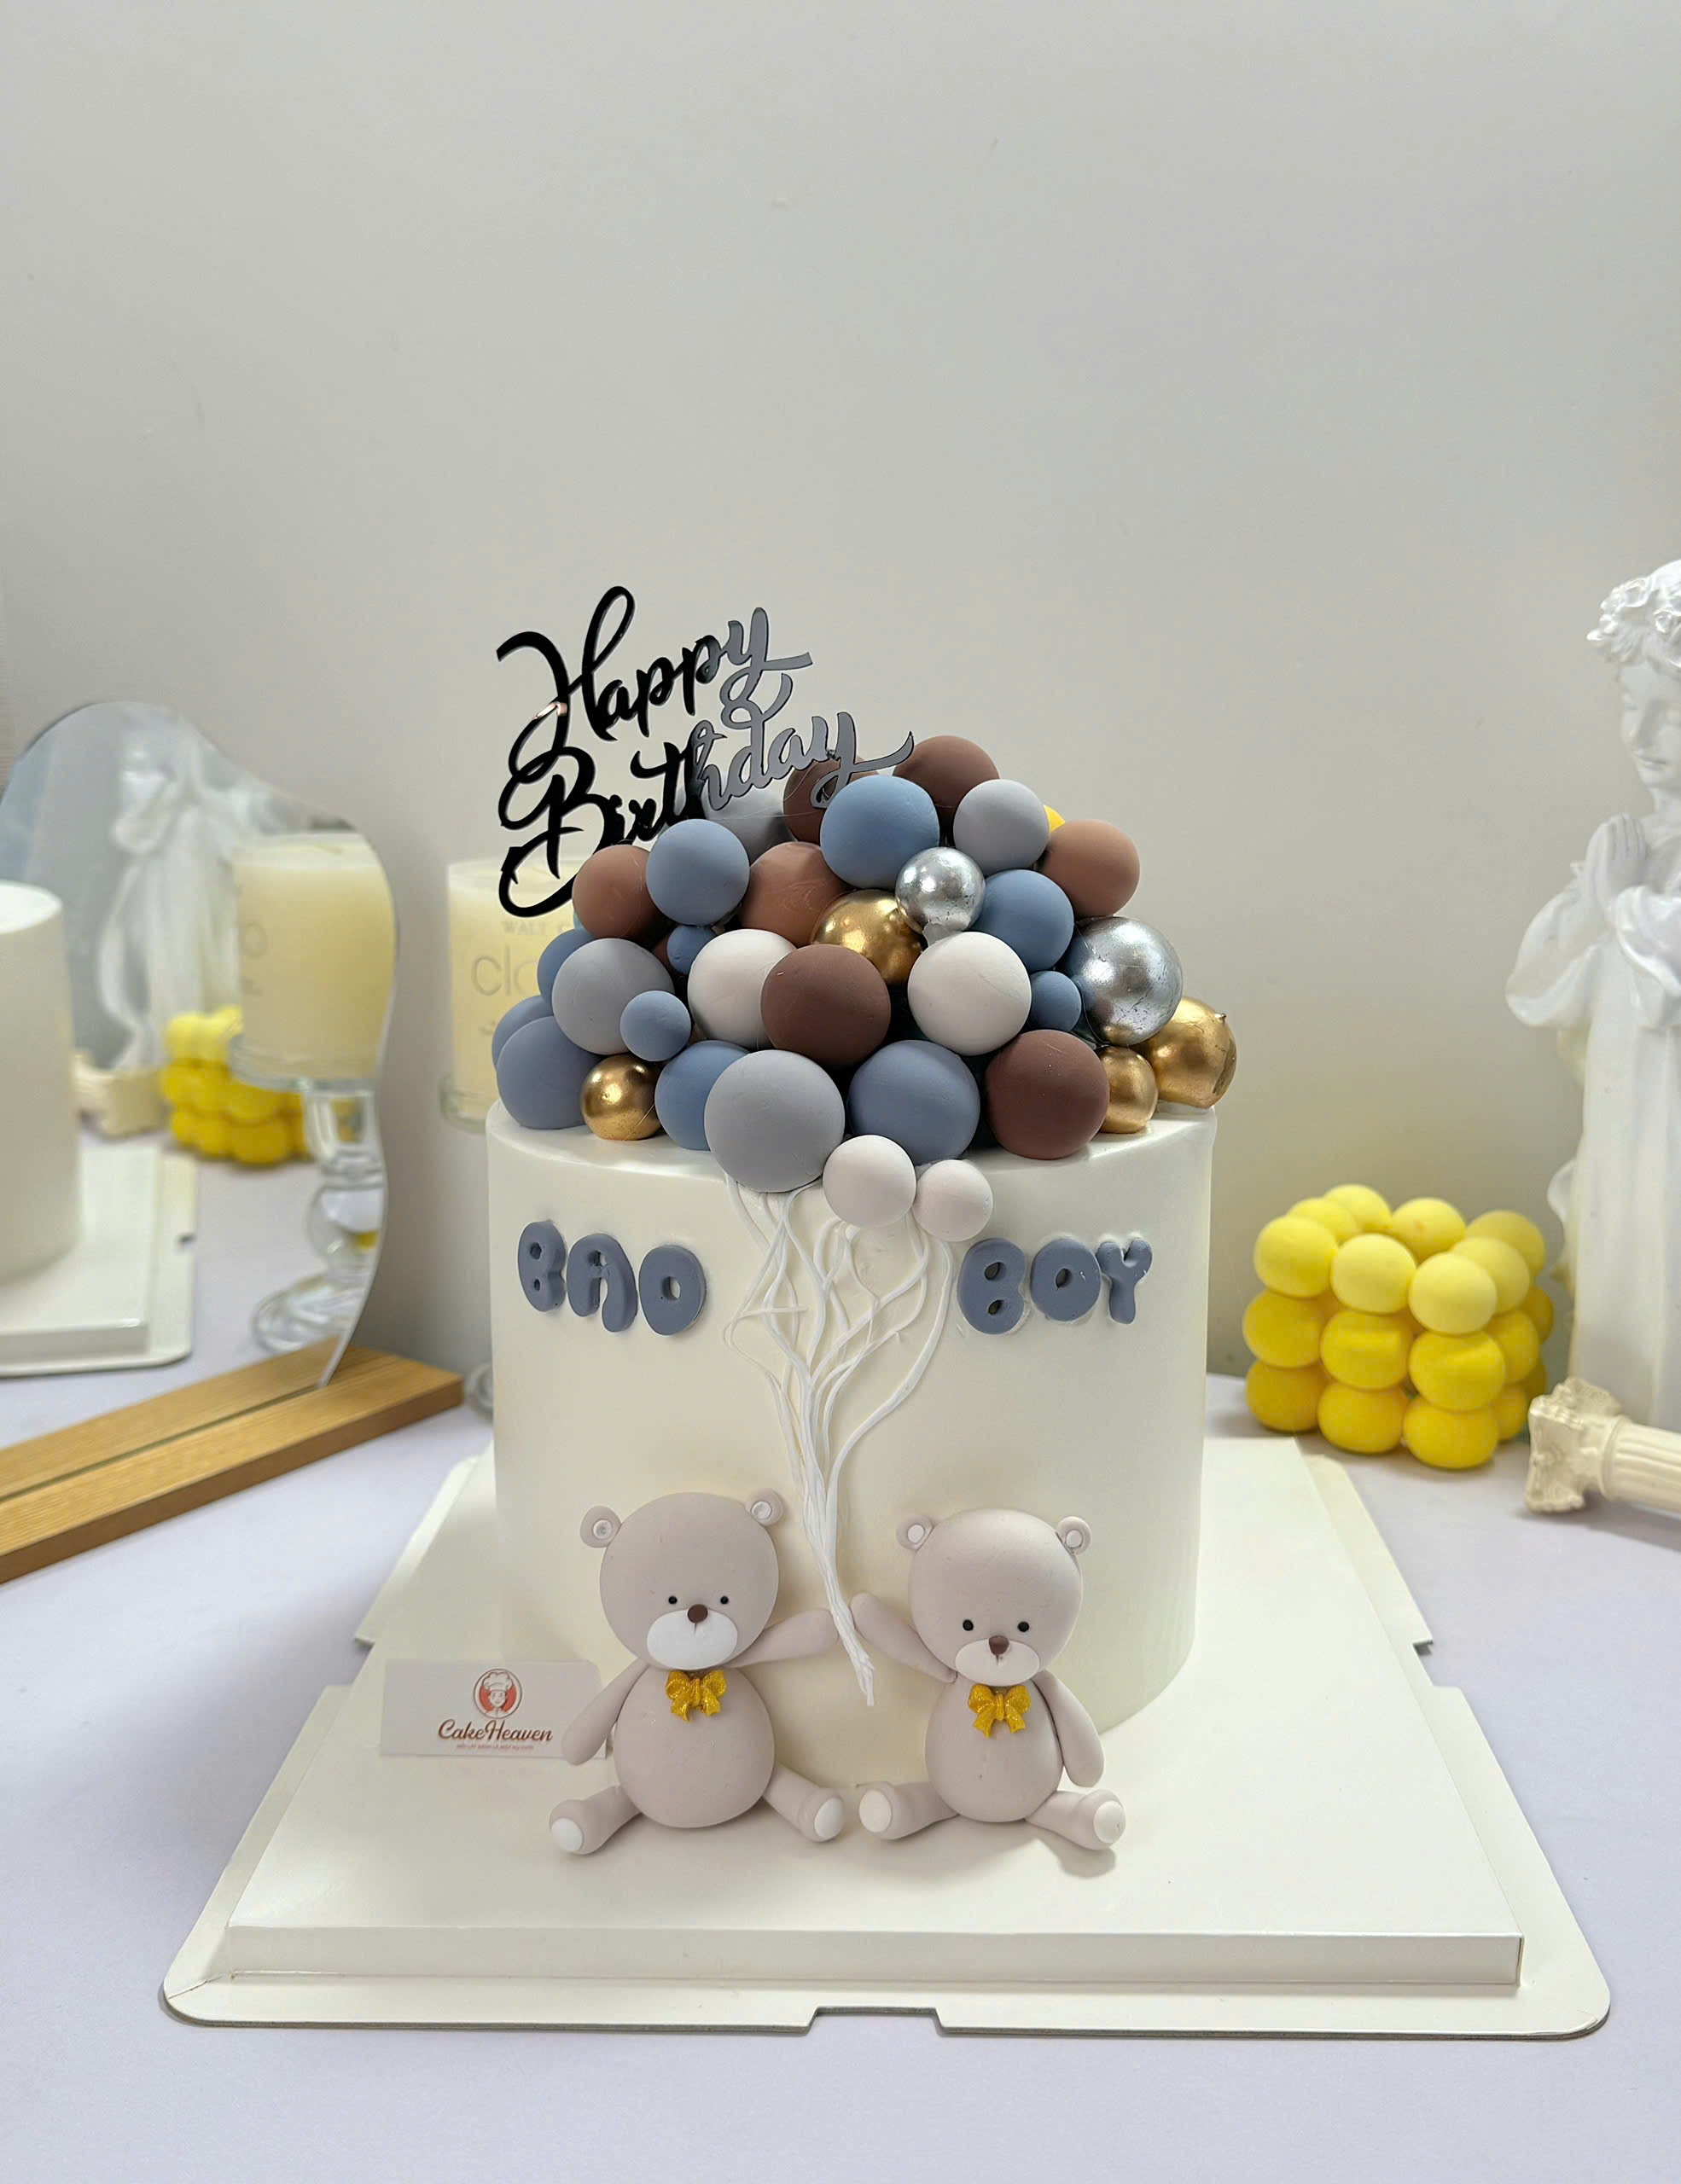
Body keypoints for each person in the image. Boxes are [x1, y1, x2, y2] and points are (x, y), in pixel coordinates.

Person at [1508, 562, 1681, 1429]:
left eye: (1670, 712)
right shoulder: (1641, 843)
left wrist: (1621, 906)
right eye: (1631, 706)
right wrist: (1595, 906)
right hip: (1628, 1124)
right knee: (1625, 1257)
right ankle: (1613, 1439)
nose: (1642, 736)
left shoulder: (1636, 870)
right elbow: (1539, 984)